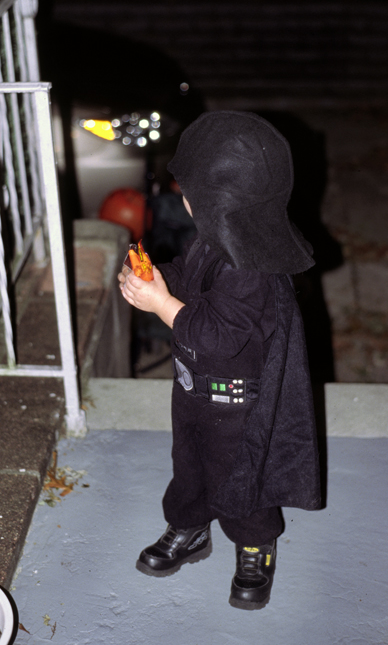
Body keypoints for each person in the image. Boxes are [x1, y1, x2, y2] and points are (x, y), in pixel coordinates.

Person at [118, 111, 321, 610]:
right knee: (188, 465)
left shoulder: (251, 270)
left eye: (188, 191)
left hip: (239, 405)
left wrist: (160, 306)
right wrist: (159, 281)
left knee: (241, 476)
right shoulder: (214, 242)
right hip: (193, 390)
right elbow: (189, 279)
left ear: (217, 203)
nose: (182, 199)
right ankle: (188, 527)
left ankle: (255, 546)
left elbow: (219, 335)